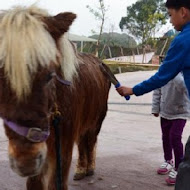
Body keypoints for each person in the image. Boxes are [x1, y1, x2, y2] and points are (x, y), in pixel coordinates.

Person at [116, 0, 190, 99]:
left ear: (183, 12)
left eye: (170, 15)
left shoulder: (183, 41)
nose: (170, 21)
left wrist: (132, 90)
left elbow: (162, 76)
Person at [152, 72, 190, 185]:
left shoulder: (184, 72)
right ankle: (168, 160)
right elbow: (157, 90)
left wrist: (175, 71)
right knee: (166, 137)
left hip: (181, 111)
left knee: (175, 137)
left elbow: (183, 86)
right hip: (165, 110)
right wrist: (155, 108)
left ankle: (179, 167)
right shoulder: (163, 71)